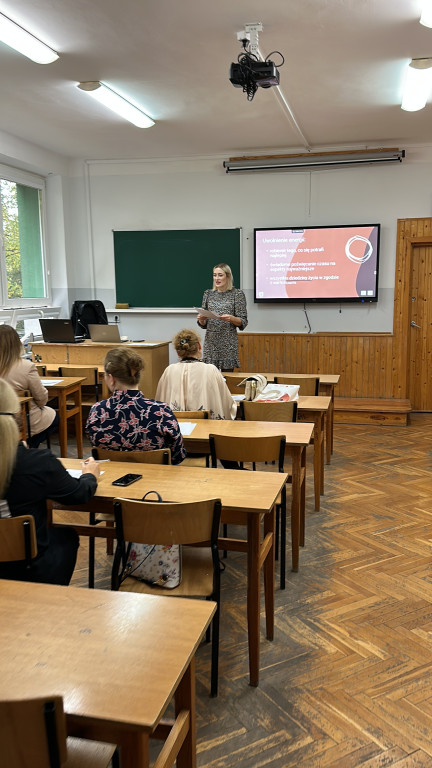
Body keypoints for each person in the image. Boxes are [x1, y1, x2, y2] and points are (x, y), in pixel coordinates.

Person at [0, 378, 100, 585]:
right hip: (30, 568)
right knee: (67, 537)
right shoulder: (37, 463)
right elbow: (79, 494)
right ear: (17, 418)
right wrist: (89, 474)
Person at [86, 347, 186, 464]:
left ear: (111, 379)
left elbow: (95, 446)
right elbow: (178, 455)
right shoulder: (161, 411)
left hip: (111, 478)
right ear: (138, 375)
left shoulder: (97, 411)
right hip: (157, 478)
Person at [155, 328, 236, 420]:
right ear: (199, 346)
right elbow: (227, 404)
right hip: (206, 430)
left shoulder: (169, 371)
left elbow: (159, 404)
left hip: (176, 428)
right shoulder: (210, 369)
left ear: (178, 352)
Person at [0, 324, 58, 448]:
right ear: (16, 344)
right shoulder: (26, 366)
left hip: (3, 422)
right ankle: (29, 447)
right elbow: (42, 399)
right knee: (54, 416)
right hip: (21, 421)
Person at [197, 263, 248, 371]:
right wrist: (201, 320)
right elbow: (204, 324)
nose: (216, 278)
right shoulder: (208, 294)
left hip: (228, 344)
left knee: (227, 380)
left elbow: (243, 321)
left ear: (228, 276)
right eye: (214, 275)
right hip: (211, 343)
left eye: (220, 275)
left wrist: (231, 318)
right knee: (210, 379)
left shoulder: (237, 294)